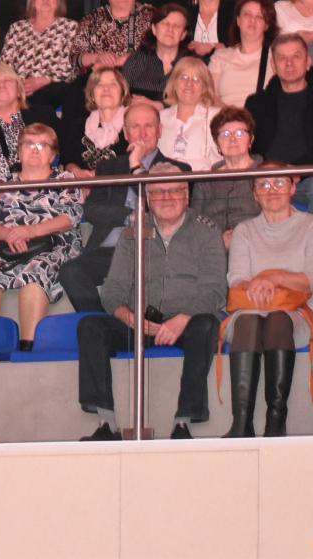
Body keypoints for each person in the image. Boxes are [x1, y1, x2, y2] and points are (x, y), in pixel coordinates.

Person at [77, 165, 225, 441]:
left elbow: (215, 291)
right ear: (147, 198)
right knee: (90, 327)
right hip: (141, 322)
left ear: (187, 195)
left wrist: (183, 318)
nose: (167, 197)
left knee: (206, 325)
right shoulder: (133, 233)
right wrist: (129, 317)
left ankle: (183, 423)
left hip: (189, 322)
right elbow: (112, 291)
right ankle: (106, 424)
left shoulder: (207, 231)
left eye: (174, 190)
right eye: (158, 192)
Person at [224, 162, 313, 438]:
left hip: (303, 310)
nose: (271, 189)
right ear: (254, 194)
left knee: (277, 320)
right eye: (263, 184)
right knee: (248, 321)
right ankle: (242, 423)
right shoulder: (244, 230)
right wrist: (257, 285)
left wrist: (273, 278)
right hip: (252, 306)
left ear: (293, 188)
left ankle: (276, 421)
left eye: (279, 182)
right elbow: (237, 278)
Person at [58, 103, 190, 314]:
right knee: (71, 271)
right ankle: (102, 323)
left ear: (160, 131)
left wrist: (136, 165)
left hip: (151, 248)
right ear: (126, 134)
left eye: (149, 126)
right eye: (135, 127)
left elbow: (161, 209)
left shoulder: (178, 170)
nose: (142, 133)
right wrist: (129, 216)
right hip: (109, 250)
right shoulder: (108, 167)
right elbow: (91, 209)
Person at [0, 124, 83, 345]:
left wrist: (30, 231)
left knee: (35, 272)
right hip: (7, 245)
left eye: (42, 145)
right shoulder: (4, 183)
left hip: (52, 244)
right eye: (29, 144)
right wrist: (7, 234)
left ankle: (29, 348)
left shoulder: (66, 180)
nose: (34, 150)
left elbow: (70, 217)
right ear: (19, 151)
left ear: (52, 154)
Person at [245, 33, 313, 230]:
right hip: (269, 178)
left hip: (312, 178)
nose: (289, 63)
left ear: (308, 62)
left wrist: (300, 169)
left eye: (296, 56)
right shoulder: (256, 104)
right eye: (282, 58)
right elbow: (250, 149)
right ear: (274, 66)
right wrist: (273, 172)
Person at [0, 63, 76, 184]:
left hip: (44, 189)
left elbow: (68, 150)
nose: (2, 85)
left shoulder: (43, 115)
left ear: (19, 90)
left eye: (7, 80)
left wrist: (74, 169)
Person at [0, 0, 83, 119]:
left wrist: (45, 80)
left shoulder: (70, 27)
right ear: (32, 0)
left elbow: (73, 67)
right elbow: (4, 65)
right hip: (19, 89)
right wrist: (17, 85)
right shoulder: (17, 28)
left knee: (43, 102)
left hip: (52, 88)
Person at [191, 107, 262, 248]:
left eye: (240, 133)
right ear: (217, 144)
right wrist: (218, 240)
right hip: (212, 249)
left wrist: (241, 236)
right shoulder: (205, 182)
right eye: (225, 134)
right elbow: (195, 221)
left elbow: (273, 218)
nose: (233, 139)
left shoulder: (265, 174)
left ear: (251, 140)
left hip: (255, 246)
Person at [71, 0, 155, 74]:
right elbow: (74, 58)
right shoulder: (92, 19)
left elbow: (162, 53)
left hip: (142, 81)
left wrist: (128, 60)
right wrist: (97, 57)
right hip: (100, 81)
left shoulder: (151, 17)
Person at [208, 0, 278, 108]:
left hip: (260, 116)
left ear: (266, 25)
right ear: (238, 21)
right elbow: (210, 96)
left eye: (259, 17)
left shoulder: (275, 56)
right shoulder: (221, 56)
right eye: (247, 15)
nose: (252, 20)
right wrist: (232, 115)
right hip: (224, 115)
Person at [158, 58, 223, 172]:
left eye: (196, 79)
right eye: (183, 77)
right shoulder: (160, 117)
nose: (189, 84)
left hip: (202, 180)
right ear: (174, 83)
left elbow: (219, 161)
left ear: (204, 88)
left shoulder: (216, 117)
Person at [121, 4, 191, 102]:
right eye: (165, 24)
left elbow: (199, 99)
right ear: (154, 29)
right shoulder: (137, 61)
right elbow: (121, 95)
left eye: (177, 26)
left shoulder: (191, 64)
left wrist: (161, 105)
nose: (170, 29)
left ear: (183, 34)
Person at [70, 66, 129, 176]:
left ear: (123, 93)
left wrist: (99, 174)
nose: (106, 88)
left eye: (113, 84)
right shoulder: (77, 127)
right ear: (92, 95)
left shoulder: (132, 124)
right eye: (100, 84)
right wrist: (77, 172)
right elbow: (68, 161)